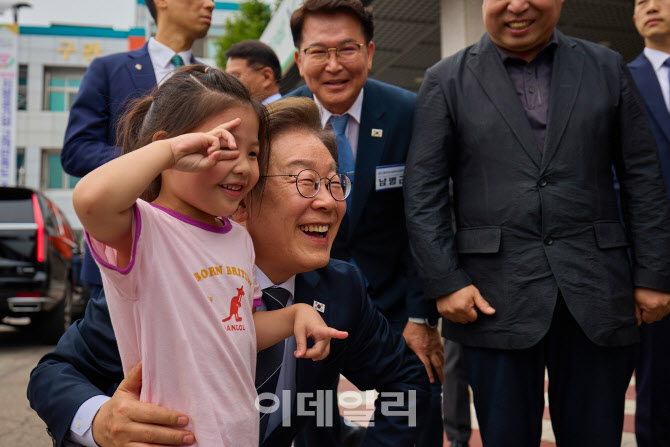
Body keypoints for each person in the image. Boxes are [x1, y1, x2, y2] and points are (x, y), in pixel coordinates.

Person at [27, 97, 430, 447]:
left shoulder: (340, 289)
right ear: (240, 198)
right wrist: (100, 421)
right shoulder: (164, 277)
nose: (329, 201)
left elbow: (406, 384)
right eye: (306, 181)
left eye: (335, 182)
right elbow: (54, 374)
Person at [404, 0, 670, 446]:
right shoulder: (445, 79)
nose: (517, 5)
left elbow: (642, 175)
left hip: (598, 290)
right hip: (490, 298)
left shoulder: (606, 67)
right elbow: (423, 190)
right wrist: (445, 282)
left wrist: (653, 274)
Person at [72, 66, 346, 446]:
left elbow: (238, 331)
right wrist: (168, 153)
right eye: (221, 146)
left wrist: (294, 316)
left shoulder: (238, 239)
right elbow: (89, 200)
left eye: (252, 153)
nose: (243, 166)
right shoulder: (142, 227)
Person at [286, 1, 444, 444]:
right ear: (299, 59)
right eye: (319, 51)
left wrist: (421, 316)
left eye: (347, 49)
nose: (333, 65)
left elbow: (424, 216)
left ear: (370, 52)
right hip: (306, 302)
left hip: (396, 302)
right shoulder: (279, 120)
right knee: (314, 418)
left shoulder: (408, 112)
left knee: (415, 406)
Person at [60, 0, 214, 301]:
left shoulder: (211, 78)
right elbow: (76, 151)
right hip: (123, 250)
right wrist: (157, 158)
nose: (209, 4)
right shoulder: (108, 70)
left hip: (197, 255)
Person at [630, 1, 670, 445]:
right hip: (656, 268)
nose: (651, 6)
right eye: (640, 1)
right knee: (658, 387)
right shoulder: (620, 80)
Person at [225, 40, 282, 104]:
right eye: (228, 79)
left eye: (235, 77)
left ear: (266, 77)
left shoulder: (287, 109)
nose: (229, 85)